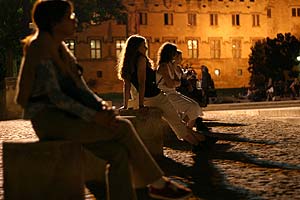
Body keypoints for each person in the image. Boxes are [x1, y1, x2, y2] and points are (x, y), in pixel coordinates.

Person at [15, 1, 192, 200]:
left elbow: (82, 89)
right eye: (69, 16)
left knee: (118, 154)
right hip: (50, 121)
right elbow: (57, 97)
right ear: (55, 23)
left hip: (67, 118)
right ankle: (158, 183)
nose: (75, 20)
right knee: (123, 128)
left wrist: (103, 108)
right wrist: (95, 116)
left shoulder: (61, 50)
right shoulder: (40, 49)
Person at [117, 35, 208, 146]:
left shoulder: (127, 64)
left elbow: (126, 86)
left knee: (177, 123)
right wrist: (141, 105)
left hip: (145, 98)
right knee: (177, 123)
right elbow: (142, 83)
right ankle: (199, 144)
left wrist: (126, 105)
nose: (146, 48)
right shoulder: (141, 59)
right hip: (155, 97)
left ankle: (201, 141)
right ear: (136, 47)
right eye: (143, 46)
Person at [156, 43, 209, 132]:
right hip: (165, 95)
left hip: (172, 92)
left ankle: (187, 131)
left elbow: (176, 82)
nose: (176, 55)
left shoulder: (170, 65)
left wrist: (177, 83)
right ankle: (187, 132)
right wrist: (177, 83)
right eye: (174, 53)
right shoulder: (164, 66)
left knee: (195, 107)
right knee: (193, 108)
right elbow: (171, 84)